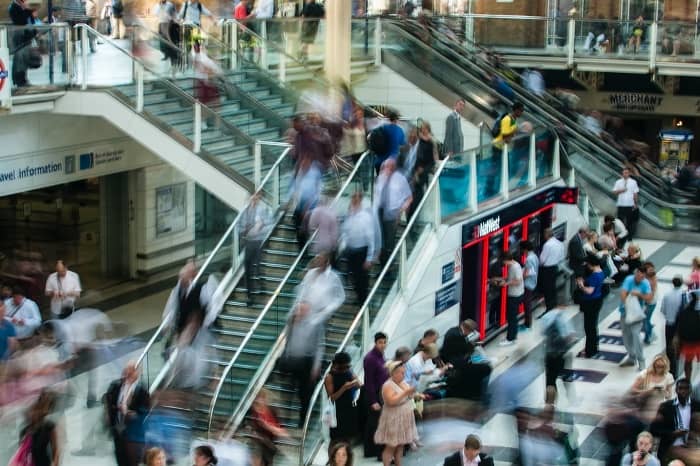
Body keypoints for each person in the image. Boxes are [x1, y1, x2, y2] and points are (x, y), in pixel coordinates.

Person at [104, 361, 151, 466]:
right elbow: (108, 400)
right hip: (118, 432)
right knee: (120, 460)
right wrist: (108, 416)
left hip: (133, 437)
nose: (128, 372)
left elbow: (144, 415)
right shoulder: (115, 385)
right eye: (127, 369)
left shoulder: (142, 391)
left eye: (132, 370)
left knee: (131, 462)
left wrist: (128, 412)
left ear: (138, 372)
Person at [374, 360, 418, 466]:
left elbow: (410, 395)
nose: (403, 375)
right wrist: (406, 393)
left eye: (404, 373)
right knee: (391, 446)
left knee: (400, 445)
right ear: (393, 373)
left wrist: (417, 395)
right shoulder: (387, 385)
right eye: (401, 373)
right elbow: (391, 401)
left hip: (404, 418)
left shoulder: (403, 382)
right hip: (393, 418)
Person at [650, 379, 700, 464]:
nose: (683, 391)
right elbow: (654, 429)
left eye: (686, 388)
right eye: (680, 388)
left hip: (692, 446)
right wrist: (672, 433)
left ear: (690, 390)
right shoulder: (666, 407)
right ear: (676, 390)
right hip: (671, 447)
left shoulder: (697, 406)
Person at [341, 191, 378, 304]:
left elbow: (370, 238)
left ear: (360, 202)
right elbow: (345, 231)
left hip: (362, 251)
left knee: (362, 278)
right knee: (353, 276)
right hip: (351, 251)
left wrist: (369, 258)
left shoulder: (365, 217)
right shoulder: (349, 216)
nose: (353, 203)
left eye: (355, 201)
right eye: (353, 200)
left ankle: (363, 300)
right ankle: (359, 297)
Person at [374, 158, 412, 265]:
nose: (388, 169)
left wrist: (401, 211)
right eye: (386, 167)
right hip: (379, 211)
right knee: (381, 240)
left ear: (394, 168)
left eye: (390, 167)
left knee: (389, 241)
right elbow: (376, 195)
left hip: (393, 212)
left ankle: (389, 265)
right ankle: (383, 264)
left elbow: (409, 198)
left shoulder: (400, 179)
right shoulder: (380, 178)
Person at [241, 193, 272, 305]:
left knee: (258, 266)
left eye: (256, 198)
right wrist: (245, 231)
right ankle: (249, 296)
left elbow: (269, 225)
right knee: (248, 269)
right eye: (252, 198)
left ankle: (261, 285)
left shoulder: (262, 210)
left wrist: (258, 230)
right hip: (248, 243)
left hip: (258, 242)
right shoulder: (245, 211)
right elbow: (239, 226)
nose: (254, 200)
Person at [619, 267, 653, 371]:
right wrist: (628, 306)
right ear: (635, 274)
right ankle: (631, 356)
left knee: (636, 335)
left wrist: (638, 294)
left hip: (637, 314)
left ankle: (641, 360)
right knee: (626, 335)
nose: (639, 278)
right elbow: (623, 294)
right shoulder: (629, 280)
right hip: (625, 312)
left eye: (642, 276)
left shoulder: (645, 283)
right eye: (638, 275)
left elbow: (649, 298)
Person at [16, 390, 60, 466]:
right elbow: (21, 454)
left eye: (36, 409)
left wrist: (55, 463)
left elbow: (55, 450)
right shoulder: (24, 431)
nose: (33, 413)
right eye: (30, 410)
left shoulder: (49, 426)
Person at [324, 351, 361, 443]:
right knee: (336, 439)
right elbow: (331, 398)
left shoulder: (348, 372)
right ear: (338, 365)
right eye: (346, 366)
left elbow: (359, 384)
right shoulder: (329, 377)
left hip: (349, 407)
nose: (347, 368)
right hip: (337, 411)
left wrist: (355, 383)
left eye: (348, 366)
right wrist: (344, 388)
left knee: (348, 437)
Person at [363, 332, 389, 459]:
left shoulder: (381, 356)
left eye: (384, 342)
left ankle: (372, 451)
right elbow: (369, 382)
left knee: (375, 424)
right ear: (375, 343)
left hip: (382, 394)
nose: (383, 345)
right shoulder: (370, 358)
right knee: (375, 425)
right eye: (380, 342)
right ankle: (375, 451)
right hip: (374, 396)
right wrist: (373, 401)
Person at [541, 301, 574, 396]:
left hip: (549, 352)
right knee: (566, 377)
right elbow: (569, 336)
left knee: (550, 379)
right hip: (562, 353)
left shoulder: (545, 317)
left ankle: (550, 400)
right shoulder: (563, 317)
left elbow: (543, 333)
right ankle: (571, 398)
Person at [248, 389, 288, 466]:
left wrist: (269, 427)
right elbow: (251, 429)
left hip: (270, 444)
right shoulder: (252, 413)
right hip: (260, 443)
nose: (259, 401)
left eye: (261, 398)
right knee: (258, 450)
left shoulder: (272, 410)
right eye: (256, 398)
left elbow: (282, 431)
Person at [577, 256, 605, 358]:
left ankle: (590, 350)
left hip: (590, 303)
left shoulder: (594, 276)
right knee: (593, 326)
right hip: (597, 301)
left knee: (589, 327)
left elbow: (589, 291)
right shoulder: (601, 271)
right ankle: (593, 347)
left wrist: (581, 285)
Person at [630, 354, 675, 419]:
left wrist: (663, 391)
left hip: (659, 406)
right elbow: (633, 390)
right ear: (654, 364)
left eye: (662, 366)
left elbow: (669, 396)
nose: (659, 368)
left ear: (665, 366)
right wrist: (648, 391)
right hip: (644, 404)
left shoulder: (668, 376)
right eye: (657, 366)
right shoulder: (644, 374)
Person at [495, 251, 524, 346]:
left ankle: (510, 339)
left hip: (515, 296)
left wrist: (506, 284)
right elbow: (510, 277)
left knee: (512, 318)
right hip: (515, 294)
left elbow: (518, 281)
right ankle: (512, 337)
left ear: (506, 260)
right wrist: (501, 279)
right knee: (512, 318)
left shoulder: (515, 267)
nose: (503, 264)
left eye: (503, 262)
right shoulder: (513, 266)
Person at [661, 276, 685, 377]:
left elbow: (663, 310)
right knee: (679, 344)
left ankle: (672, 369)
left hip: (670, 323)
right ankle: (678, 360)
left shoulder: (667, 295)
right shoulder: (685, 295)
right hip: (681, 324)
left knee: (669, 346)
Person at [675, 291, 700, 382]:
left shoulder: (683, 312)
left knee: (688, 362)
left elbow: (679, 328)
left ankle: (688, 380)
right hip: (697, 343)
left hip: (687, 343)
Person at [539, 228, 565, 314]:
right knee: (553, 288)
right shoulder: (559, 243)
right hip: (555, 267)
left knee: (547, 289)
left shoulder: (547, 245)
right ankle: (553, 305)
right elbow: (562, 257)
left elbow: (542, 259)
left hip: (547, 269)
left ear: (547, 235)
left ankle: (549, 308)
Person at [612, 168, 640, 240]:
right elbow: (614, 192)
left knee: (629, 222)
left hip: (630, 205)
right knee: (619, 221)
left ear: (629, 173)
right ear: (622, 174)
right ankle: (619, 236)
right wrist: (621, 190)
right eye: (624, 173)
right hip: (621, 205)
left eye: (627, 173)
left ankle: (629, 236)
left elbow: (635, 193)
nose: (625, 174)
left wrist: (635, 203)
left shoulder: (633, 182)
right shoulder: (618, 182)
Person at [521, 240, 539, 329]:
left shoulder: (529, 258)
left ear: (525, 250)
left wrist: (521, 278)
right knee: (527, 303)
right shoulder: (534, 256)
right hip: (533, 282)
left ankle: (527, 324)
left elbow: (528, 272)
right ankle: (527, 322)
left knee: (527, 304)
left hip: (528, 284)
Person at [643, 262, 658, 345]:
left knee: (646, 320)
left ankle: (649, 336)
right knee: (646, 319)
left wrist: (647, 301)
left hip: (650, 302)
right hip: (650, 301)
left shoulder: (650, 281)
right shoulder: (652, 278)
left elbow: (652, 292)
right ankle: (648, 335)